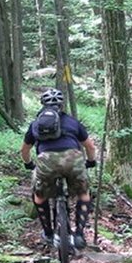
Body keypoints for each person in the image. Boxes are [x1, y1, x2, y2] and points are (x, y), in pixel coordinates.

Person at [21, 88, 97, 249]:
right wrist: (91, 162)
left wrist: (29, 164)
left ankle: (48, 233)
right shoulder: (72, 122)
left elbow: (25, 150)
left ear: (43, 105)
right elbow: (90, 146)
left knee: (40, 197)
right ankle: (79, 234)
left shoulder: (35, 124)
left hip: (46, 162)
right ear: (62, 105)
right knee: (84, 194)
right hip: (73, 160)